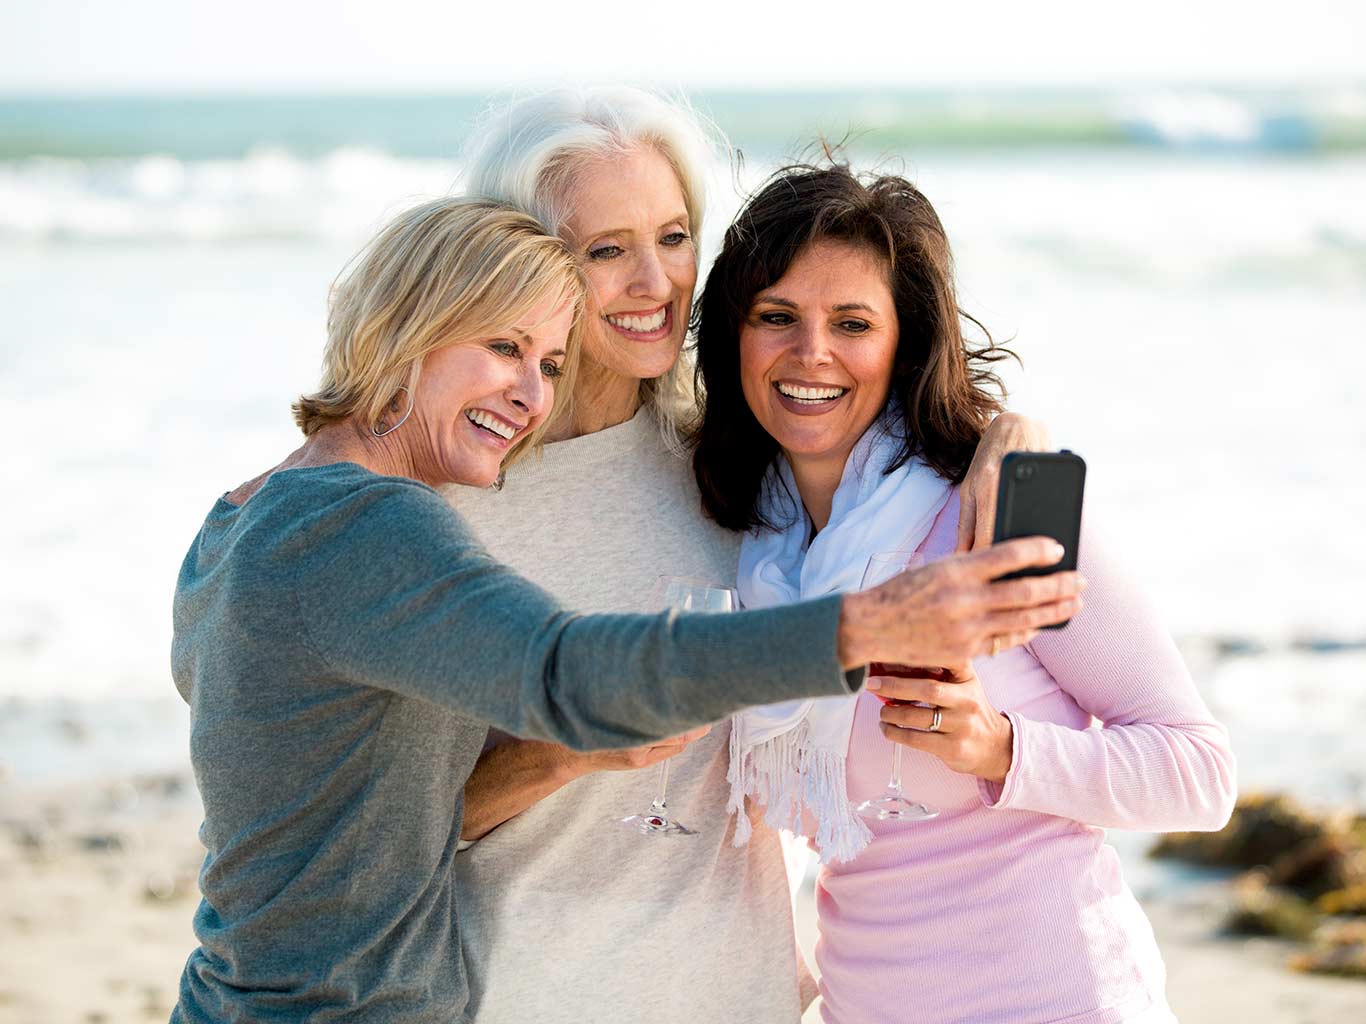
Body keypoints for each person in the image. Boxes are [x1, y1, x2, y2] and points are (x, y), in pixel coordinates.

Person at [169, 195, 1083, 1023]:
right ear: (408, 329)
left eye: (551, 362)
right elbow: (564, 671)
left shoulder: (244, 516)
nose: (530, 395)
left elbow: (341, 811)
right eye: (501, 347)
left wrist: (1004, 428)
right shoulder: (367, 525)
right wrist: (869, 624)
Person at [445, 86, 1051, 1021]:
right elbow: (383, 830)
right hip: (529, 992)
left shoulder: (726, 461)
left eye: (675, 237)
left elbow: (885, 415)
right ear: (518, 256)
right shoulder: (450, 502)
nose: (657, 284)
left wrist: (1017, 432)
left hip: (743, 995)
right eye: (605, 250)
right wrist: (565, 749)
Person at [691, 164, 1235, 1023]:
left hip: (1056, 999)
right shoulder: (747, 548)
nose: (811, 355)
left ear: (904, 343)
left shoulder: (994, 509)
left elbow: (1198, 774)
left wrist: (1001, 749)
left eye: (853, 324)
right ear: (734, 335)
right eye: (776, 317)